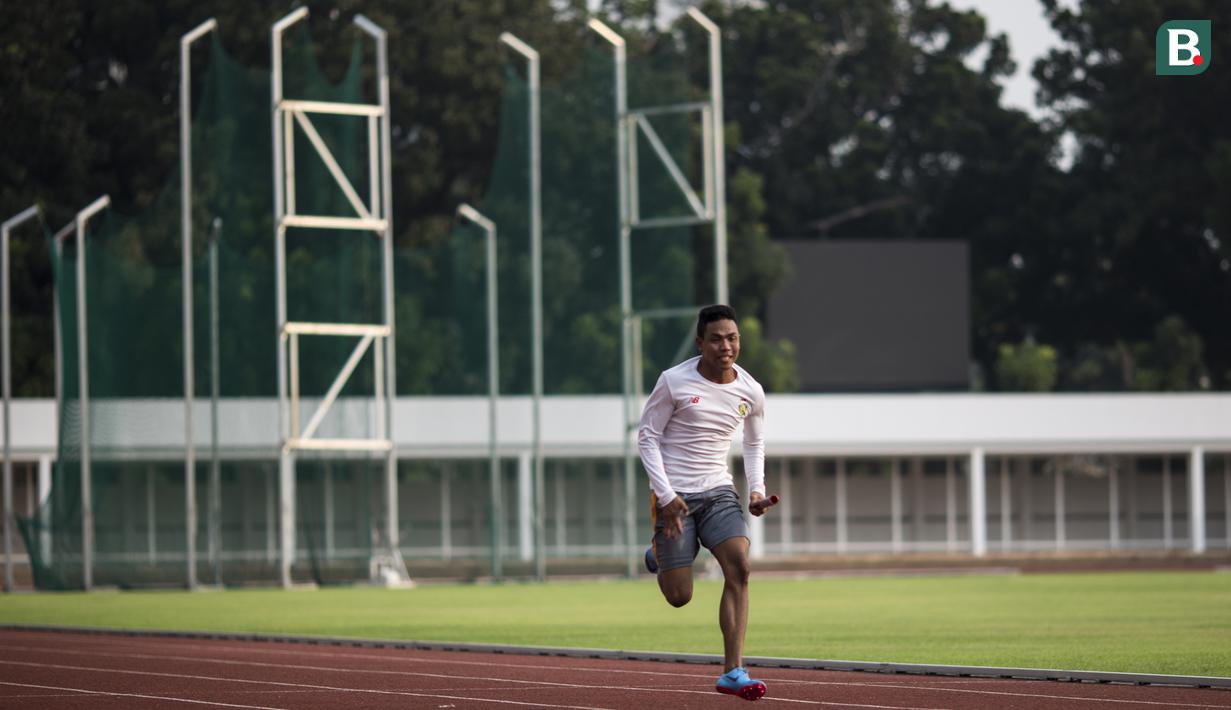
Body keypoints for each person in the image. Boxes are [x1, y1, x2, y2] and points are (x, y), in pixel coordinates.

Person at [637, 304, 778, 702]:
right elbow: (647, 437)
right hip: (675, 497)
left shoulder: (750, 390)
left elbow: (754, 442)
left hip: (719, 492)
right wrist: (666, 496)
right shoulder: (674, 382)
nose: (725, 346)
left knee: (741, 568)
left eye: (732, 338)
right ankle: (659, 553)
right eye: (716, 339)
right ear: (700, 343)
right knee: (679, 596)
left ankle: (733, 671)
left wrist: (755, 490)